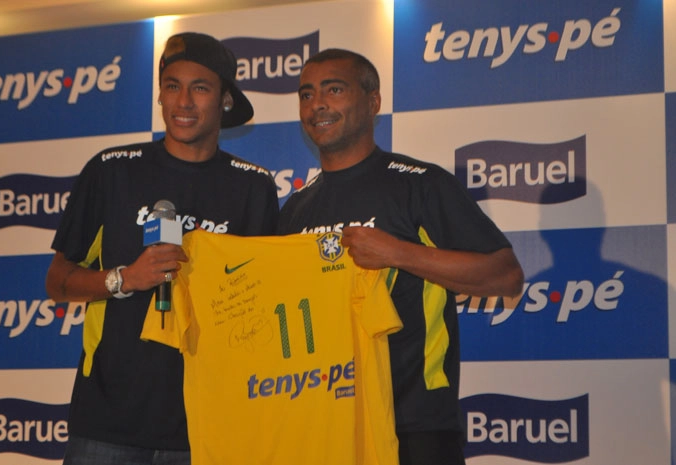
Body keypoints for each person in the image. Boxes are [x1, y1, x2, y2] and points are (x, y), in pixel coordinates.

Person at [277, 48, 524, 465]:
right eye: (306, 94)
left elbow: (506, 276)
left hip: (414, 425)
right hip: (324, 421)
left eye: (333, 89)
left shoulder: (421, 185)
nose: (317, 103)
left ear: (373, 102)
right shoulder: (294, 209)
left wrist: (398, 253)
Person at [45, 32, 278, 465]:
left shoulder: (254, 187)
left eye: (200, 87)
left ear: (226, 100)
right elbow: (57, 282)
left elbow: (263, 302)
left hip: (206, 423)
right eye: (172, 86)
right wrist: (124, 279)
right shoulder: (110, 171)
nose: (183, 101)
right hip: (107, 421)